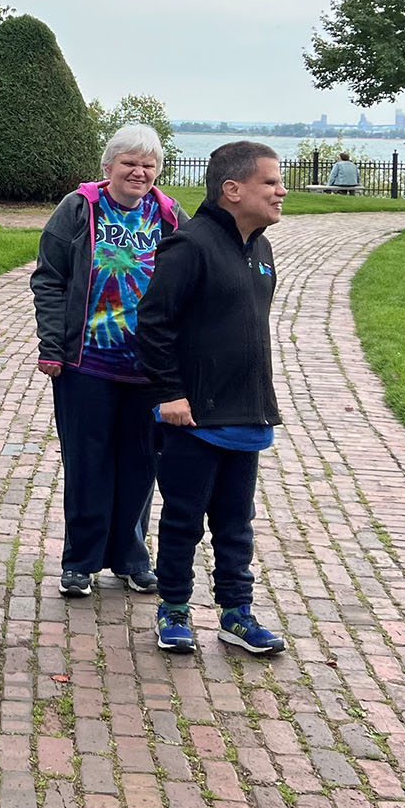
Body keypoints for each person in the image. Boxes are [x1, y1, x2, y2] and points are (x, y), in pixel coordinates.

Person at [136, 140, 288, 657]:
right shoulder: (190, 244)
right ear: (233, 189)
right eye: (270, 182)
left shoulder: (261, 249)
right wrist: (170, 394)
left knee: (235, 520)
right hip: (193, 417)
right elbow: (153, 324)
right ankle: (174, 608)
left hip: (246, 413)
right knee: (183, 518)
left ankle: (236, 613)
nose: (280, 190)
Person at [31, 124, 182, 598]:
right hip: (86, 363)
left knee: (141, 464)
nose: (139, 172)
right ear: (108, 167)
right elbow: (49, 280)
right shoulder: (79, 210)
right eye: (129, 163)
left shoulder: (169, 215)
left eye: (148, 164)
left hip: (147, 369)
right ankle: (80, 561)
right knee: (88, 462)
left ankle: (132, 557)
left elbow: (188, 284)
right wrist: (52, 346)